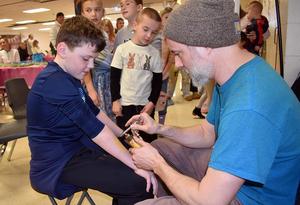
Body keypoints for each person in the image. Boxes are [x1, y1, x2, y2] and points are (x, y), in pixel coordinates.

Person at [126, 1, 300, 205]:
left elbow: (209, 201)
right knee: (161, 146)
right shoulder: (234, 75)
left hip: (252, 199)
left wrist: (157, 164)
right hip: (240, 182)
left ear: (205, 46)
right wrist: (160, 128)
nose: (178, 64)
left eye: (178, 53)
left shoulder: (249, 105)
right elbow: (207, 134)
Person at [27, 16, 157, 205]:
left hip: (78, 149)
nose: (90, 67)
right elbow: (96, 130)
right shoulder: (53, 82)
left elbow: (95, 113)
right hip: (58, 163)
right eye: (86, 59)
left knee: (139, 170)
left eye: (93, 60)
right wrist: (134, 164)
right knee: (140, 182)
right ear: (62, 49)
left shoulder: (68, 77)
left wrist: (126, 136)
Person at [110, 7, 162, 143]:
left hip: (145, 106)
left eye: (154, 33)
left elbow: (157, 81)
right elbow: (114, 77)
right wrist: (115, 100)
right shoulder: (122, 49)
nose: (149, 36)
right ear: (135, 25)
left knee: (148, 140)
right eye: (146, 30)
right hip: (125, 104)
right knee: (126, 140)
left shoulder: (155, 53)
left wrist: (152, 102)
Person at [77, 0, 115, 121]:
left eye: (97, 10)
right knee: (97, 116)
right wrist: (90, 88)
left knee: (108, 116)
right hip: (93, 80)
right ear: (82, 13)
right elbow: (84, 63)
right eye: (89, 10)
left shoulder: (103, 33)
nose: (94, 14)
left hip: (106, 80)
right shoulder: (82, 34)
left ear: (103, 12)